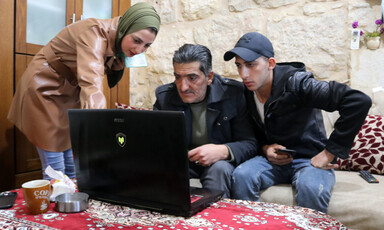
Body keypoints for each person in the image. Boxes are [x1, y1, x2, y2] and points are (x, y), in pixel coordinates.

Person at [7, 2, 161, 180]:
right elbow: (92, 80)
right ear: (125, 28)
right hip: (45, 87)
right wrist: (100, 131)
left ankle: (72, 203)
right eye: (136, 40)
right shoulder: (94, 32)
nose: (139, 49)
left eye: (146, 46)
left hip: (70, 90)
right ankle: (57, 201)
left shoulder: (118, 41)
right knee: (55, 167)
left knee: (73, 164)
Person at [224, 32, 371, 212]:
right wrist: (265, 148)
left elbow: (358, 101)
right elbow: (251, 133)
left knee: (311, 188)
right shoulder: (246, 91)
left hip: (309, 160)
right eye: (239, 66)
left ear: (270, 64)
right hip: (272, 161)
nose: (243, 74)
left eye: (251, 65)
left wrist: (329, 153)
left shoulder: (298, 83)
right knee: (241, 175)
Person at [154, 44, 257, 198]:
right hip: (183, 162)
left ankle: (216, 221)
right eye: (178, 77)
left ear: (209, 77)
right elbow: (155, 144)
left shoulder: (233, 94)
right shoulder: (165, 97)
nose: (183, 87)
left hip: (219, 162)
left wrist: (223, 151)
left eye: (192, 78)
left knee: (219, 169)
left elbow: (250, 143)